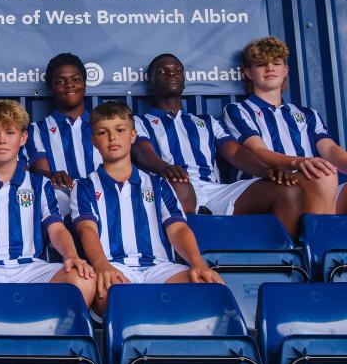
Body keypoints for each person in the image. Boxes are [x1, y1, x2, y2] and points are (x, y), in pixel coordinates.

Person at [71, 101, 223, 312]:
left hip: (160, 267)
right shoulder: (84, 186)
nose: (112, 138)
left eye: (120, 130)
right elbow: (86, 229)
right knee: (114, 298)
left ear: (133, 136)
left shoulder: (158, 184)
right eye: (103, 132)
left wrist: (198, 263)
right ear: (93, 141)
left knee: (211, 289)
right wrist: (101, 265)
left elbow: (178, 228)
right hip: (114, 266)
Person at [132, 52, 308, 236]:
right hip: (171, 186)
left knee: (287, 190)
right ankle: (184, 261)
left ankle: (280, 261)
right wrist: (166, 168)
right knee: (180, 185)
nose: (171, 74)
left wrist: (266, 171)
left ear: (184, 81)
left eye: (177, 70)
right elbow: (143, 152)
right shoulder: (139, 122)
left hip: (214, 190)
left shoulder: (207, 122)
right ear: (151, 82)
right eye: (162, 71)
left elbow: (235, 152)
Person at [0, 100, 95, 307]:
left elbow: (55, 228)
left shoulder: (40, 184)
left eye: (10, 132)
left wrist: (71, 255)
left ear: (23, 137)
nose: (2, 140)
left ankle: (56, 338)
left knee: (84, 279)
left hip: (31, 268)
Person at [223, 36, 347, 213]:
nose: (270, 68)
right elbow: (259, 151)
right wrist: (301, 162)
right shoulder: (238, 110)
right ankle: (315, 239)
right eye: (261, 64)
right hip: (271, 183)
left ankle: (324, 234)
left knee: (323, 176)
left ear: (285, 70)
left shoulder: (307, 114)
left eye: (276, 63)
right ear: (248, 73)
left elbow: (330, 150)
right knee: (323, 175)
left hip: (316, 184)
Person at [23, 53, 102, 215]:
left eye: (76, 79)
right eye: (60, 81)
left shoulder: (103, 125)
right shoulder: (36, 129)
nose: (69, 85)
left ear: (85, 84)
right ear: (51, 88)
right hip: (62, 206)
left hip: (103, 200)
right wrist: (53, 176)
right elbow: (39, 169)